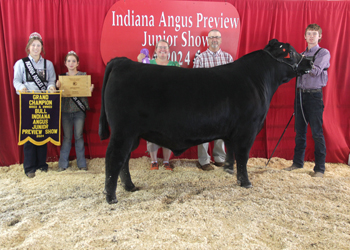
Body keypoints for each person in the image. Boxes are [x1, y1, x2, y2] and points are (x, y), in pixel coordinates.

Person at [283, 24, 330, 178]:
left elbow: (315, 71)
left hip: (314, 96)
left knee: (317, 133)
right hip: (300, 95)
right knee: (300, 132)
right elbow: (293, 70)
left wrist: (301, 63)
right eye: (309, 33)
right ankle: (297, 163)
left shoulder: (323, 53)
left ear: (319, 36)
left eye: (314, 34)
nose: (311, 36)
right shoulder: (301, 54)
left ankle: (320, 169)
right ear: (304, 36)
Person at [13, 32, 56, 178]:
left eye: (38, 45)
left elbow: (51, 81)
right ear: (28, 47)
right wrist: (21, 88)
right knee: (30, 134)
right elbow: (16, 81)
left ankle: (42, 165)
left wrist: (51, 88)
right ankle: (29, 167)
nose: (36, 48)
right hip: (28, 102)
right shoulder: (21, 63)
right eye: (33, 45)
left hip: (43, 102)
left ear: (42, 47)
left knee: (42, 133)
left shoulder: (48, 64)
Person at [193, 29, 234, 171]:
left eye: (217, 37)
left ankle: (219, 158)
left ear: (221, 40)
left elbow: (232, 82)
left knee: (222, 129)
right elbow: (196, 82)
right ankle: (204, 160)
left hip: (223, 101)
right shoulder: (200, 59)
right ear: (207, 40)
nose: (214, 40)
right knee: (203, 129)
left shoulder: (228, 59)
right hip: (205, 100)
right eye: (211, 38)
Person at [137, 40, 180, 171]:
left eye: (165, 48)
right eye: (160, 47)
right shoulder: (148, 63)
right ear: (155, 51)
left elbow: (178, 84)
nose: (162, 50)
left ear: (169, 51)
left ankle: (166, 161)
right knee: (152, 133)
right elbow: (141, 79)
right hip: (152, 104)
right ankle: (154, 161)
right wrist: (139, 62)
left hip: (169, 104)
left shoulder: (175, 64)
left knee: (169, 133)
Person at [55, 51, 94, 172]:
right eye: (69, 61)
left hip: (79, 110)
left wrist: (90, 90)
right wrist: (57, 87)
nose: (71, 63)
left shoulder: (83, 76)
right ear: (65, 63)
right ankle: (62, 164)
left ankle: (81, 164)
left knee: (78, 136)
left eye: (73, 61)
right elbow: (59, 94)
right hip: (66, 110)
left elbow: (86, 92)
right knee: (67, 137)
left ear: (78, 63)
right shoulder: (61, 78)